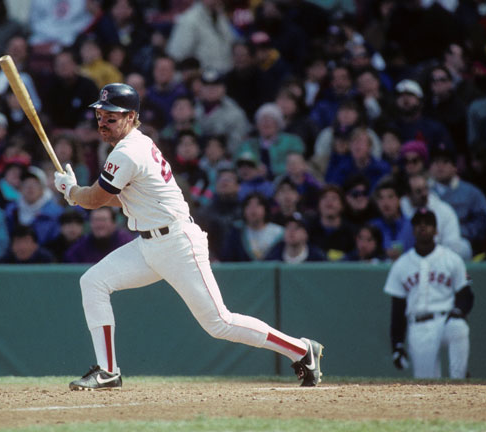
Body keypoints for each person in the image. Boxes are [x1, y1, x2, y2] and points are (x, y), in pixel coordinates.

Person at [53, 82, 324, 389]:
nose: (103, 122)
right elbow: (119, 197)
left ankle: (302, 350)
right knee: (93, 281)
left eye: (111, 116)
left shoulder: (128, 152)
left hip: (177, 244)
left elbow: (95, 199)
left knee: (219, 323)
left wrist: (72, 191)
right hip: (148, 244)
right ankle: (108, 370)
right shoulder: (133, 145)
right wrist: (76, 193)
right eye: (100, 115)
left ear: (131, 117)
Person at [383, 208, 473, 379]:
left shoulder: (451, 259)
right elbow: (397, 309)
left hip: (446, 319)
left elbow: (465, 295)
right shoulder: (401, 264)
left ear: (436, 230)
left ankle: (460, 377)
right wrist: (398, 345)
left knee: (459, 327)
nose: (423, 227)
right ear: (413, 229)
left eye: (428, 224)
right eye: (418, 224)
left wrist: (459, 312)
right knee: (426, 382)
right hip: (419, 326)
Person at [220, 192, 284, 262]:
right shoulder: (236, 232)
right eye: (249, 205)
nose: (253, 209)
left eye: (258, 205)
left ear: (265, 209)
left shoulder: (279, 232)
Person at [65, 207, 134, 264]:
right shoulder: (82, 245)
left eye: (103, 220)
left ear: (114, 223)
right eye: (96, 220)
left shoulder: (125, 242)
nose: (99, 225)